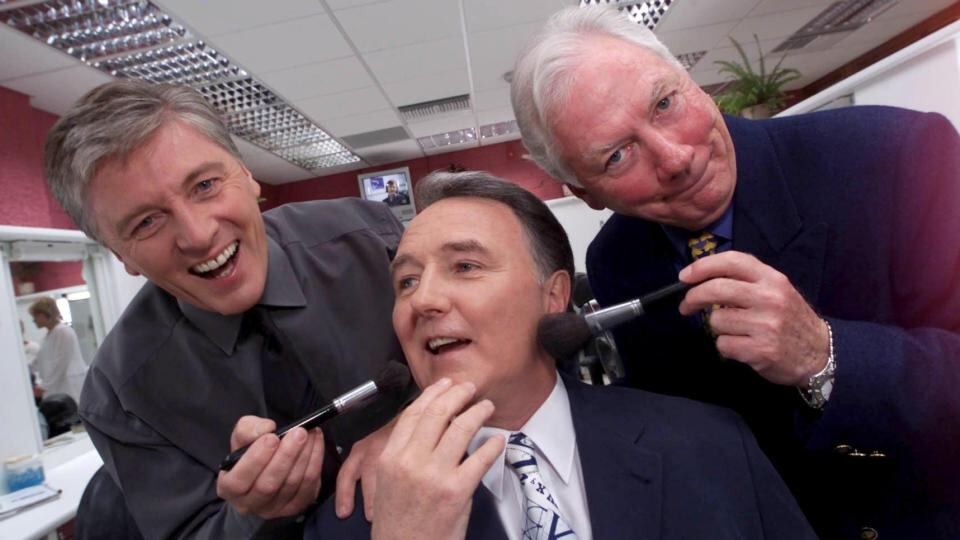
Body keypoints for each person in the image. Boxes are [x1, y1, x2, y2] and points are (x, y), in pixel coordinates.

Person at [510, 6, 960, 538]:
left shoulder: (898, 154)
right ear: (587, 195)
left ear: (693, 84)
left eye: (664, 104)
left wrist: (824, 355)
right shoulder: (617, 260)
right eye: (616, 156)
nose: (675, 158)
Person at [305, 171, 815, 539]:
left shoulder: (710, 444)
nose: (423, 300)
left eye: (464, 266)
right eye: (407, 281)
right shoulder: (356, 519)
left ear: (554, 297)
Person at [43, 79, 411, 539]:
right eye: (146, 222)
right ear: (121, 256)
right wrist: (252, 515)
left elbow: (502, 356)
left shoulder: (371, 242)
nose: (197, 235)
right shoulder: (119, 399)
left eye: (204, 185)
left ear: (247, 174)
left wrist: (415, 421)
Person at [28, 296, 87, 404]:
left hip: (69, 384)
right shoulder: (47, 336)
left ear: (43, 314)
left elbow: (61, 362)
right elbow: (39, 360)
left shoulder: (63, 332)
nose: (33, 320)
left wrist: (44, 386)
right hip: (58, 385)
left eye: (35, 316)